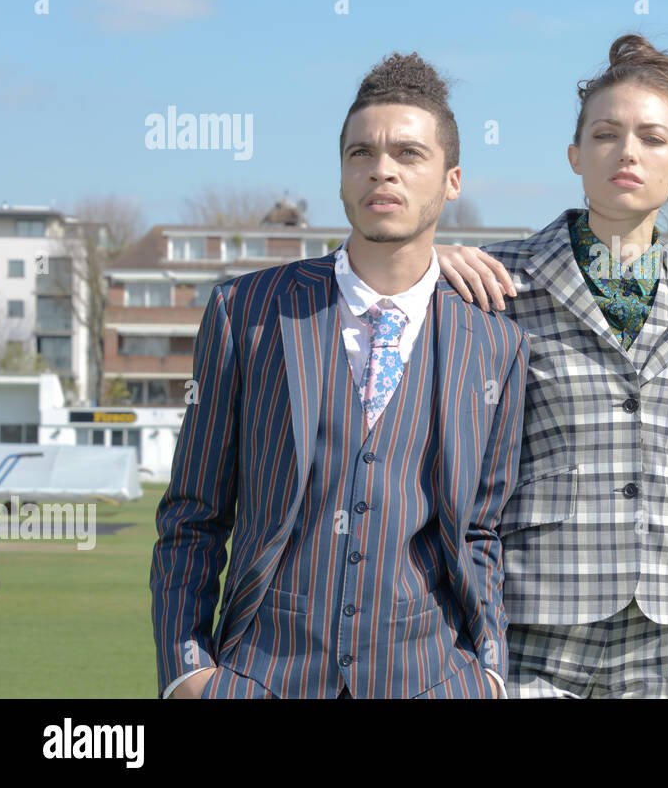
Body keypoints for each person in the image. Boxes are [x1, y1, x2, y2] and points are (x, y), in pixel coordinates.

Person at [433, 34, 668, 697]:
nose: (627, 151)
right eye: (606, 134)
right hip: (531, 626)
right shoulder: (496, 281)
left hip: (662, 638)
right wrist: (421, 267)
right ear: (576, 154)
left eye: (652, 138)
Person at [150, 53, 529, 698]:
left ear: (452, 179)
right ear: (342, 175)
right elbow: (193, 513)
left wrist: (487, 673)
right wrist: (188, 670)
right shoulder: (249, 311)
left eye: (409, 153)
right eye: (361, 153)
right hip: (260, 679)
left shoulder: (495, 342)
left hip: (433, 680)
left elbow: (483, 529)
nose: (382, 168)